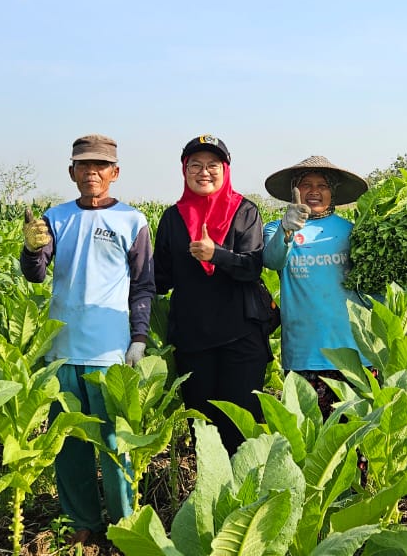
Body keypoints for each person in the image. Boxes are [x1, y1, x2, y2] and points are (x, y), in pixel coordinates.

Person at [19, 134, 155, 546]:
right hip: (62, 348)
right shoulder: (56, 217)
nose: (91, 172)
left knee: (115, 444)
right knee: (69, 442)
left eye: (100, 166)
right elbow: (36, 273)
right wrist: (30, 249)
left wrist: (139, 338)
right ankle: (82, 522)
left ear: (114, 173)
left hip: (110, 351)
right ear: (71, 172)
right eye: (83, 165)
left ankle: (123, 525)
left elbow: (144, 285)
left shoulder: (133, 221)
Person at [261, 155, 407, 417]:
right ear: (294, 190)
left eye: (322, 185)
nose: (314, 192)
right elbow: (273, 260)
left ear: (333, 192)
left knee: (356, 445)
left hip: (357, 356)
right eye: (306, 184)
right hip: (304, 354)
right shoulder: (276, 228)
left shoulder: (355, 232)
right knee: (308, 448)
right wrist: (287, 230)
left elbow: (378, 290)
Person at [153, 134, 271, 456]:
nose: (204, 172)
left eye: (212, 165)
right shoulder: (173, 218)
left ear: (225, 169)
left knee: (241, 427)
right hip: (193, 339)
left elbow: (251, 267)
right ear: (184, 170)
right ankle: (208, 498)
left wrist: (216, 254)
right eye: (195, 165)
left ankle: (245, 500)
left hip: (241, 337)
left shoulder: (244, 211)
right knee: (203, 431)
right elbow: (159, 279)